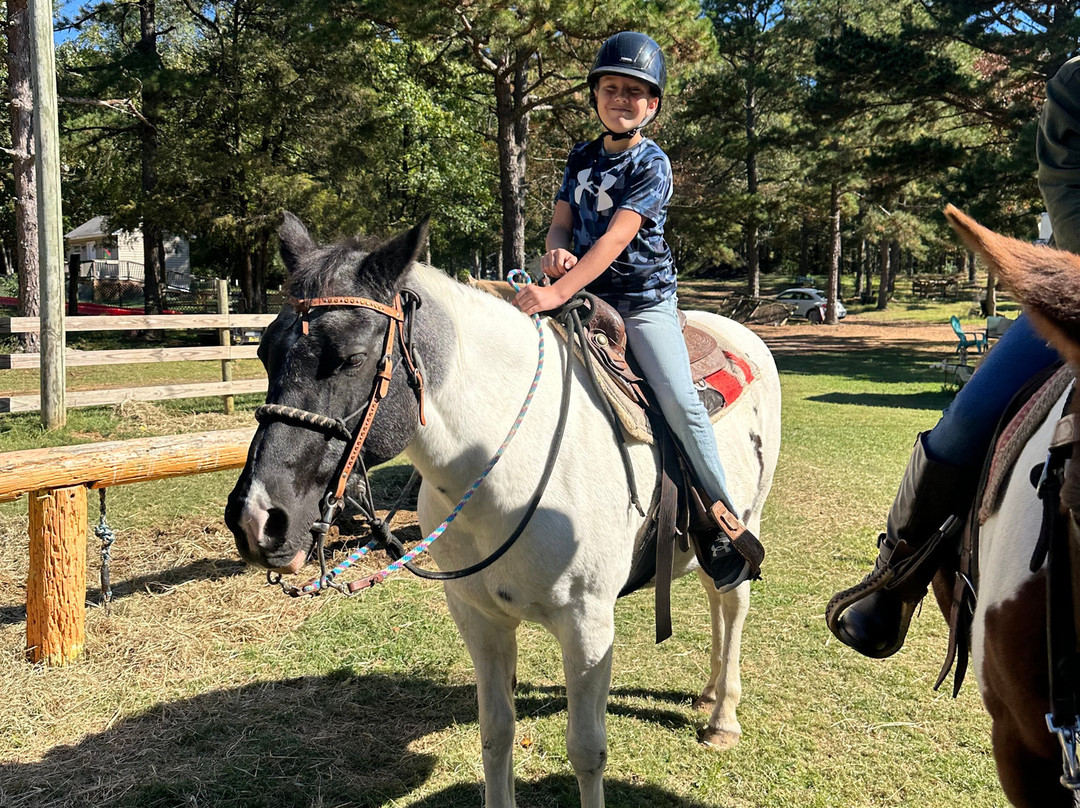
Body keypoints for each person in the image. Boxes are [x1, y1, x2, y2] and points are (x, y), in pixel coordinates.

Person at [826, 55, 1080, 658]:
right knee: (968, 416)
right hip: (1078, 281)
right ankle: (894, 581)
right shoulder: (1077, 82)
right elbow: (1066, 185)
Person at [512, 31, 762, 590]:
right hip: (582, 290)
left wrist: (553, 294)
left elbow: (613, 243)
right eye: (611, 88)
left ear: (652, 105)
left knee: (679, 402)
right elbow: (563, 223)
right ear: (595, 94)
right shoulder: (579, 158)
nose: (621, 99)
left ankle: (721, 525)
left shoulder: (652, 164)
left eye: (634, 92)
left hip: (642, 300)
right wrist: (555, 248)